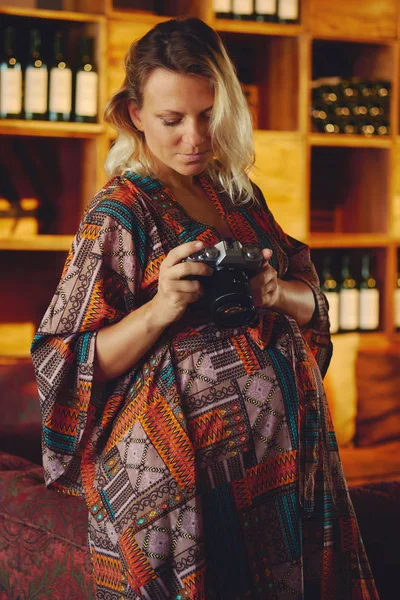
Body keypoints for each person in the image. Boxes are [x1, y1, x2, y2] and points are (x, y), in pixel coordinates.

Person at [31, 17, 379, 600]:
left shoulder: (236, 193)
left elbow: (312, 303)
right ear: (135, 115)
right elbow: (59, 361)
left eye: (208, 116)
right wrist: (160, 308)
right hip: (183, 475)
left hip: (286, 458)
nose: (193, 136)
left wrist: (273, 292)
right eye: (171, 120)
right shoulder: (120, 211)